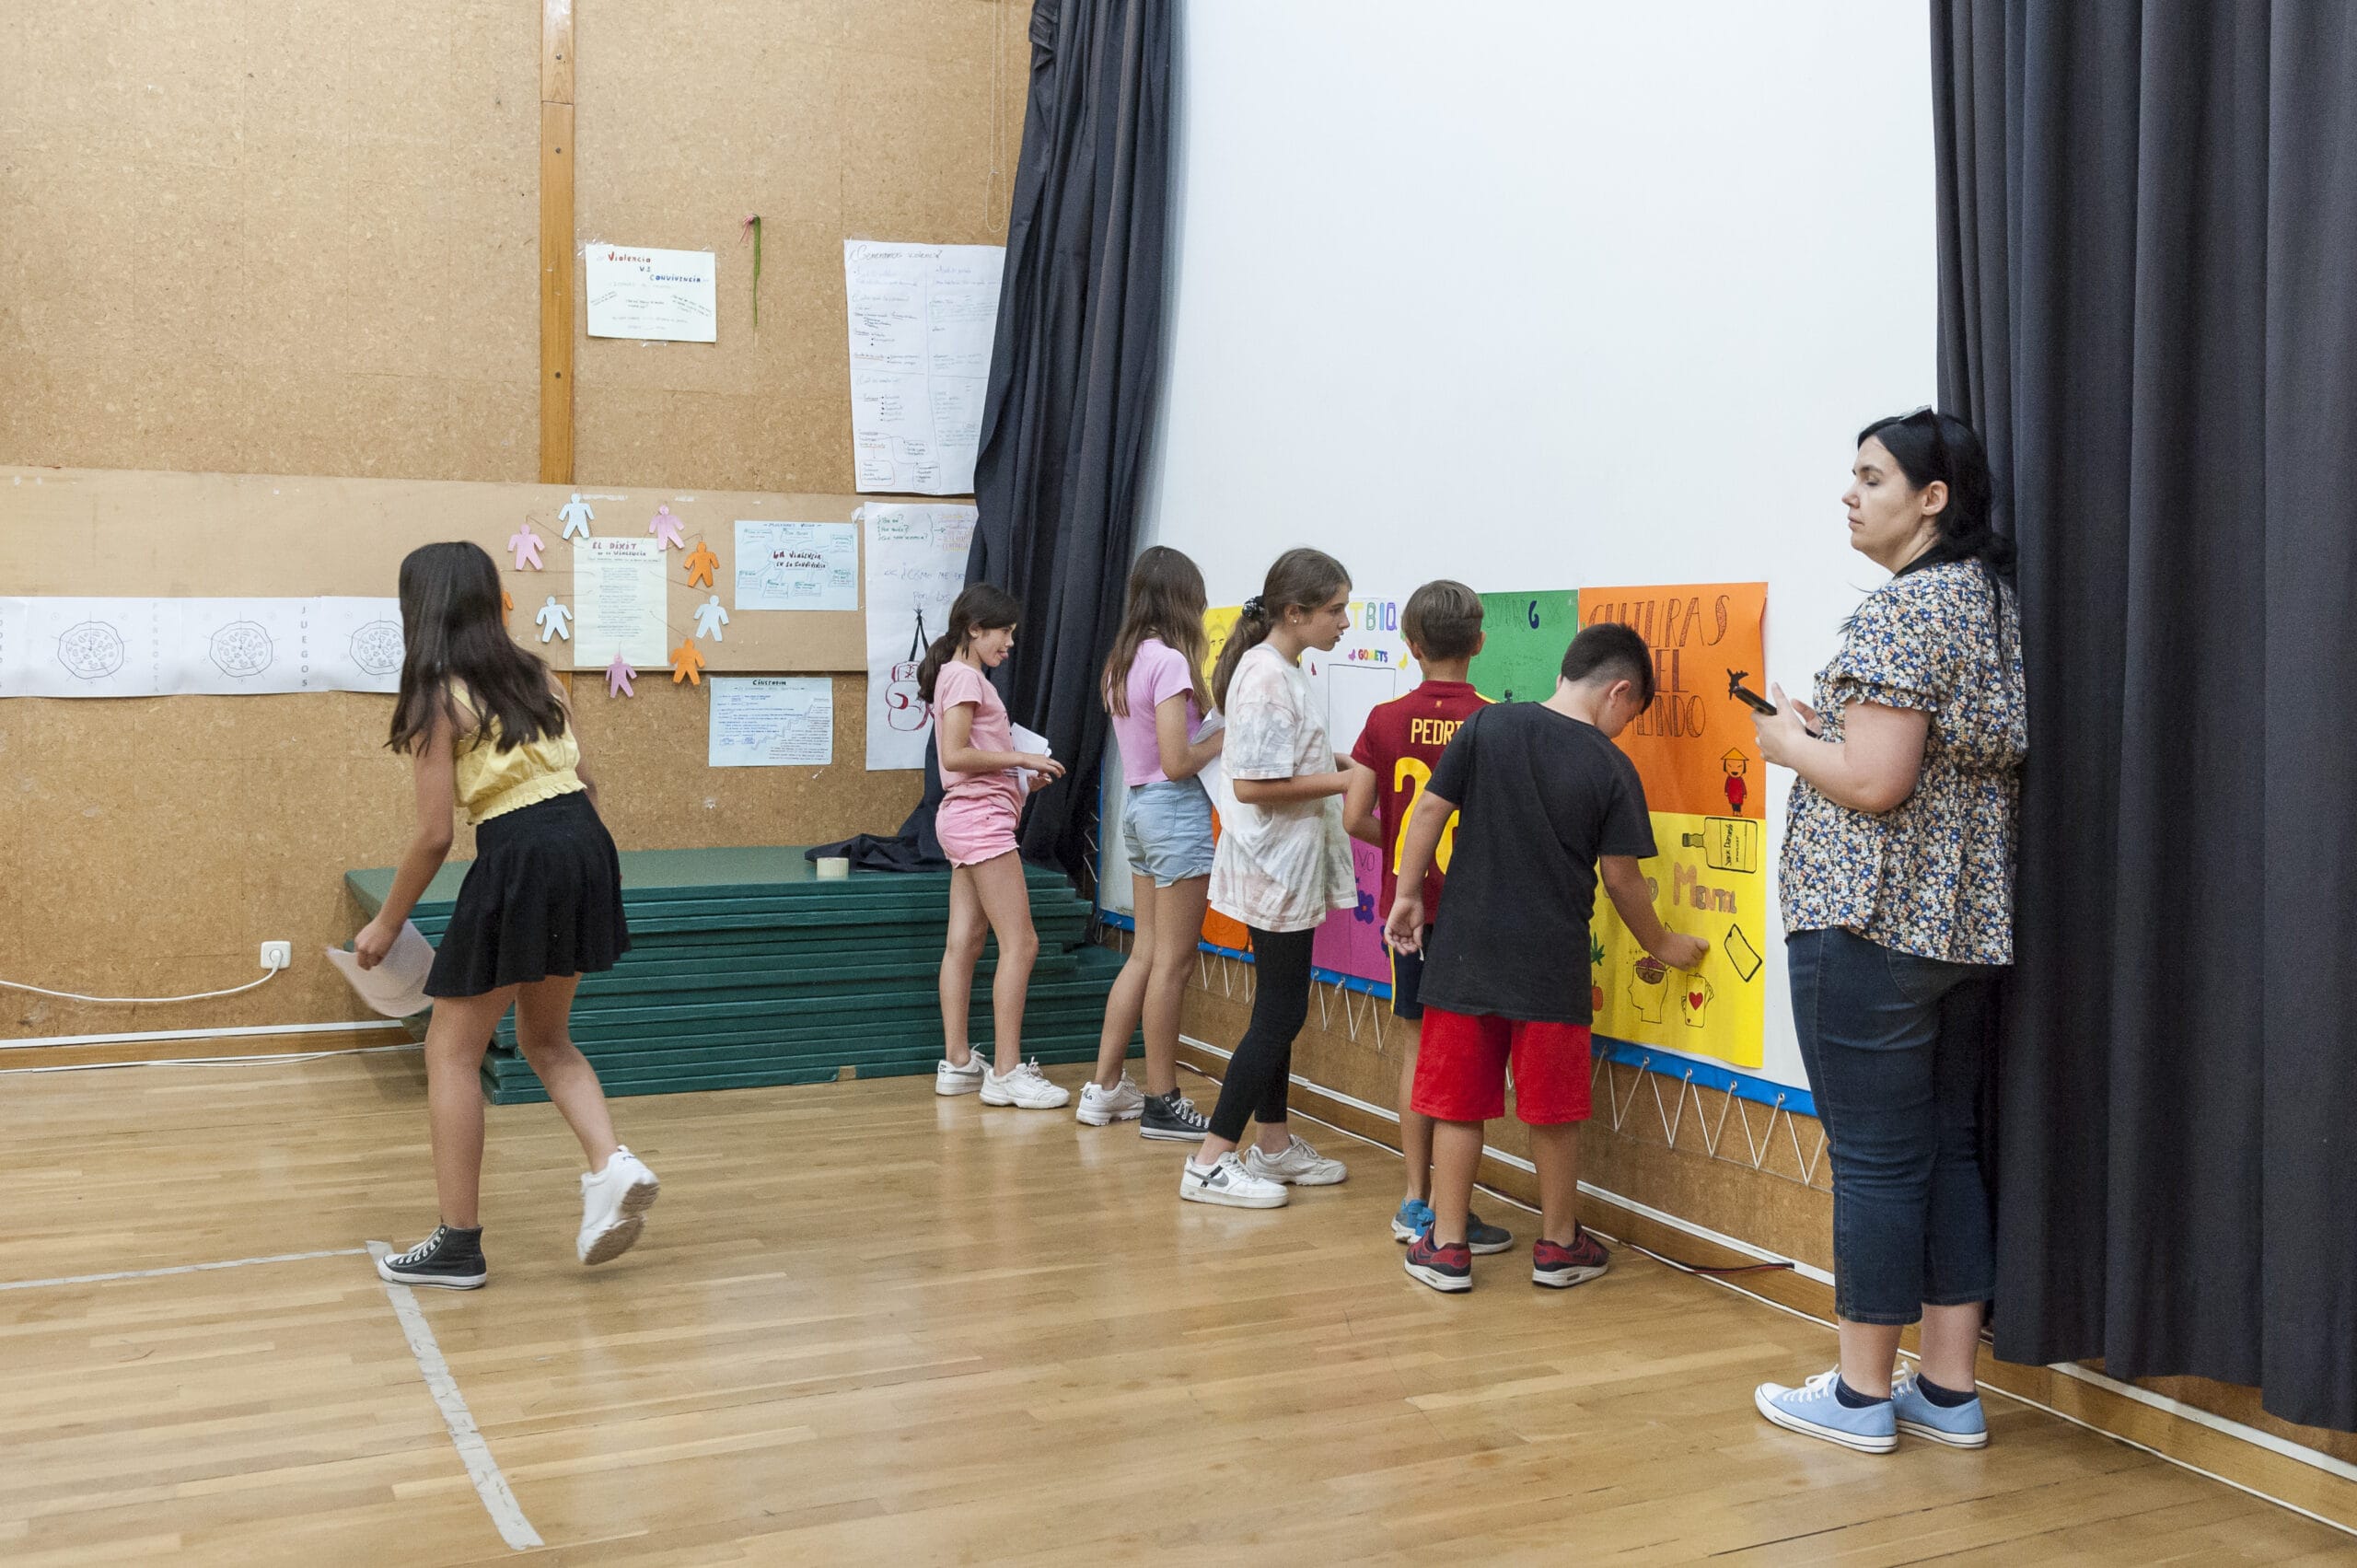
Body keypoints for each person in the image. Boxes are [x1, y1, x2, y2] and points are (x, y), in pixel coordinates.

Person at [1747, 409, 2026, 1454]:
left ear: (1932, 498)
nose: (1849, 493)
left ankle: (1862, 1393)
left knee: (1873, 1159)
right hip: (1960, 925)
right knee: (1948, 1148)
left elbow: (1875, 780)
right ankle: (1947, 1391)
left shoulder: (1904, 611)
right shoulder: (1986, 603)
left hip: (1868, 921)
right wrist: (1824, 735)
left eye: (1870, 477)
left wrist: (1787, 744)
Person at [357, 541, 656, 1292]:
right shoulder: (538, 676)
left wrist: (387, 924)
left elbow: (434, 835)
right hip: (585, 844)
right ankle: (612, 1163)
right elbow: (585, 781)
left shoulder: (436, 698)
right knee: (546, 1037)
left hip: (522, 852)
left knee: (450, 1051)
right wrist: (573, 868)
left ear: (419, 609)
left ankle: (458, 1244)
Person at [1387, 623, 1709, 1293]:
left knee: (1458, 1106)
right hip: (1551, 963)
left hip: (1465, 954)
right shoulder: (1611, 767)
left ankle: (1446, 1247)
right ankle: (1560, 1246)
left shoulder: (1487, 726)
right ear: (1620, 692)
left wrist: (1408, 895)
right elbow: (1621, 878)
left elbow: (1429, 811)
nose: (1625, 730)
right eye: (1632, 715)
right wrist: (1663, 944)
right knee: (1553, 1112)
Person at [1179, 549, 1359, 1207]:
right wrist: (1343, 781)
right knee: (1282, 1013)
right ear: (1295, 612)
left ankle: (1274, 1144)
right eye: (1335, 610)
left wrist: (1342, 761)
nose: (1344, 622)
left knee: (1277, 1010)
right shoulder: (1262, 676)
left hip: (1287, 866)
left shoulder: (1284, 669)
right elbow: (1253, 785)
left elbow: (1285, 755)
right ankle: (1209, 1161)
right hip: (1271, 867)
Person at [1342, 579, 1513, 1256]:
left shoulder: (1384, 719)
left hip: (1406, 913)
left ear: (1411, 645)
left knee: (1417, 1049)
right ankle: (1451, 1208)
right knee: (1465, 1054)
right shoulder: (1495, 719)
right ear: (1480, 642)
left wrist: (1406, 851)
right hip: (1474, 915)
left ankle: (1415, 1199)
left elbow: (1354, 815)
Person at [1081, 546, 1224, 1141]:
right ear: (1183, 599)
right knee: (1174, 962)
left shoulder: (1122, 660)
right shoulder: (1168, 661)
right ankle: (1163, 1100)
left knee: (1144, 954)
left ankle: (1104, 1087)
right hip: (1174, 810)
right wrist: (1226, 736)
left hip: (1139, 811)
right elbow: (1178, 759)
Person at [924, 584, 1072, 1110]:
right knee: (1022, 943)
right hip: (979, 822)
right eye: (1003, 632)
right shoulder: (965, 677)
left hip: (966, 818)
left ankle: (959, 1063)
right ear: (974, 629)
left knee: (964, 942)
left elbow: (970, 759)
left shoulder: (957, 676)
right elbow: (955, 755)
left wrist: (1021, 778)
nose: (1009, 643)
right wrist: (1022, 759)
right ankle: (1007, 1073)